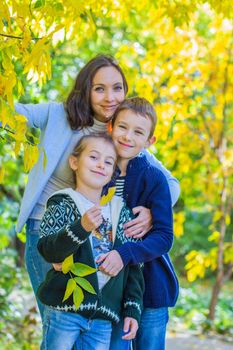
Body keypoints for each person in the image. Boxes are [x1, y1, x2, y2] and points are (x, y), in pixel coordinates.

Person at [14, 54, 180, 321]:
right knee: (56, 322)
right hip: (47, 229)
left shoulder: (121, 135)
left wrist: (151, 211)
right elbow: (12, 113)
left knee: (87, 326)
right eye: (99, 88)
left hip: (93, 237)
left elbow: (171, 184)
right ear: (86, 90)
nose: (109, 97)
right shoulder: (58, 115)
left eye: (117, 88)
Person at [37, 134, 144, 350]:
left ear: (113, 172)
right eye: (94, 157)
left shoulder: (120, 210)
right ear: (75, 162)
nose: (101, 165)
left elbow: (134, 265)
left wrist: (132, 308)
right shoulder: (63, 203)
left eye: (108, 162)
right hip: (64, 309)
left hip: (103, 315)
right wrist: (81, 227)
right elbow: (49, 251)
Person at [95, 97, 179, 350]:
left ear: (149, 141)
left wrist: (125, 253)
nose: (127, 136)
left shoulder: (153, 178)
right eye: (122, 127)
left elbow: (164, 236)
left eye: (138, 132)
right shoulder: (98, 173)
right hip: (111, 292)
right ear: (111, 127)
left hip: (151, 289)